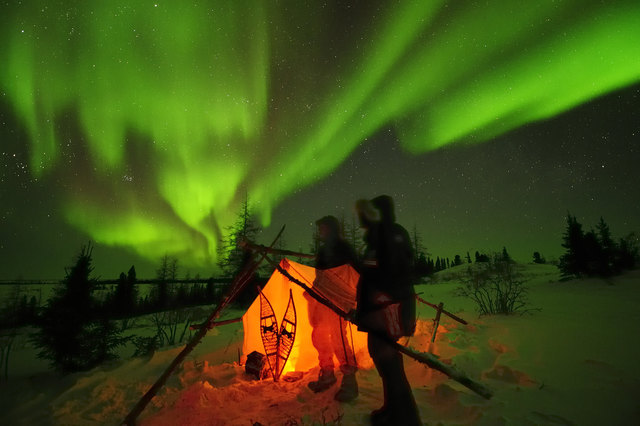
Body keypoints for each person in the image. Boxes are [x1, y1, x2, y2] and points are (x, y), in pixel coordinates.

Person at [355, 195, 421, 425]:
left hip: (386, 313)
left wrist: (378, 303)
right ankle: (393, 410)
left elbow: (390, 273)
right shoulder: (389, 234)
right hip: (385, 311)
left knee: (389, 365)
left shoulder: (386, 236)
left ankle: (405, 418)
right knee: (388, 363)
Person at [306, 215, 360, 402]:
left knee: (339, 338)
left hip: (339, 302)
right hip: (322, 300)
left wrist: (353, 302)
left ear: (331, 228)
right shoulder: (323, 251)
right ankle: (327, 373)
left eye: (323, 228)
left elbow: (353, 275)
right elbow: (322, 277)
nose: (320, 232)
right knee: (319, 335)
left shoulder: (344, 248)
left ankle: (349, 381)